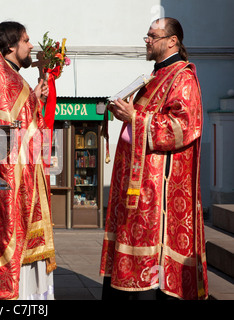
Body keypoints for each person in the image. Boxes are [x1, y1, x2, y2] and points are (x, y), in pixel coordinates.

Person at [100, 17, 208, 300]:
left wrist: (133, 116)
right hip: (137, 185)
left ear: (172, 41)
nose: (146, 40)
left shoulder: (181, 77)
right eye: (147, 35)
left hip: (158, 191)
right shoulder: (154, 77)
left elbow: (183, 127)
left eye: (152, 35)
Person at [0, 21, 56, 300]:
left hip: (28, 175)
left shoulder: (13, 77)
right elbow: (1, 137)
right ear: (10, 45)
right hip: (13, 182)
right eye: (26, 40)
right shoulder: (3, 77)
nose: (31, 46)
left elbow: (22, 125)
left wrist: (36, 99)